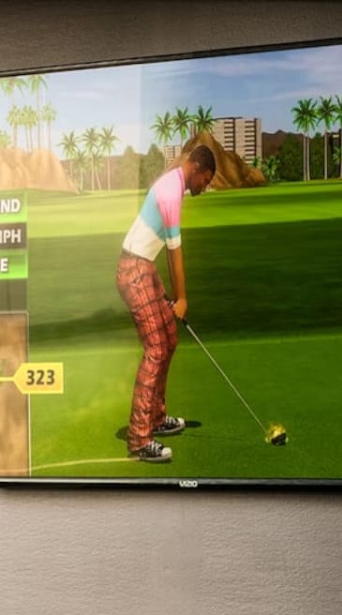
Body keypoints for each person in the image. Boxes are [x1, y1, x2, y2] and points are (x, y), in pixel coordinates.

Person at [116, 144, 216, 462]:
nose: (205, 187)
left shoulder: (175, 182)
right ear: (197, 170)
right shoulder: (172, 192)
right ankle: (139, 439)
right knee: (156, 349)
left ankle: (156, 418)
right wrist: (182, 298)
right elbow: (175, 253)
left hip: (144, 268)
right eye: (206, 180)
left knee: (169, 338)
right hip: (134, 271)